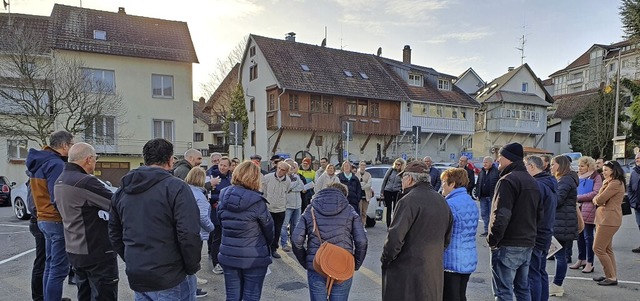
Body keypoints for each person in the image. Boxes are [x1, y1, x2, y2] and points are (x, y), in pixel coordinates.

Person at [109, 138, 201, 300]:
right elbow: (189, 233)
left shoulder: (122, 191)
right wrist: (191, 266)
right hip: (170, 275)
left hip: (139, 272)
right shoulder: (177, 187)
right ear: (170, 160)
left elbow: (115, 232)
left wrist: (132, 259)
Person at [381, 161, 452, 301]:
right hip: (432, 272)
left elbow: (394, 238)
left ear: (410, 179)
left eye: (402, 178)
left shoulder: (408, 201)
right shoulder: (441, 201)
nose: (401, 182)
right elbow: (446, 238)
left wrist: (386, 259)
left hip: (406, 273)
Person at [55, 142, 118, 300]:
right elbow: (116, 203)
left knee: (84, 293)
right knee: (104, 295)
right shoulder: (85, 181)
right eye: (96, 158)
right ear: (89, 159)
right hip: (96, 251)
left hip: (75, 249)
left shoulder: (60, 180)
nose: (96, 162)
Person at [292, 182, 367, 301]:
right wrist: (355, 264)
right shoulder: (349, 210)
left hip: (316, 264)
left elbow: (296, 239)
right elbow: (362, 241)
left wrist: (307, 261)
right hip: (342, 264)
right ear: (344, 196)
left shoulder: (310, 209)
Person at [488, 142, 542, 301]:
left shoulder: (507, 180)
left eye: (500, 157)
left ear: (509, 159)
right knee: (522, 288)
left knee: (503, 291)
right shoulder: (532, 181)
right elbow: (540, 214)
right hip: (527, 242)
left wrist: (493, 239)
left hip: (509, 243)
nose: (497, 160)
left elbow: (502, 214)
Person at [27, 130, 75, 301]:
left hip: (42, 218)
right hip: (55, 220)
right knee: (59, 269)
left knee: (49, 265)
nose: (73, 148)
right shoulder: (56, 164)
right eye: (72, 144)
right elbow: (58, 196)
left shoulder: (39, 161)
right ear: (64, 146)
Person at [217, 161, 275, 301]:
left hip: (228, 254)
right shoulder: (257, 201)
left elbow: (221, 222)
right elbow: (269, 230)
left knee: (232, 296)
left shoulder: (223, 195)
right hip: (254, 256)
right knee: (251, 296)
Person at [440, 168, 478, 301]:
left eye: (444, 182)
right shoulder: (469, 202)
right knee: (461, 295)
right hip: (467, 257)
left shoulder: (449, 204)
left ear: (452, 184)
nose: (442, 186)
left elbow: (442, 231)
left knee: (450, 296)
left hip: (451, 259)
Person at [524, 155, 558, 301]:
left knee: (533, 274)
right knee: (540, 271)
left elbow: (531, 212)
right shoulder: (549, 182)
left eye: (525, 166)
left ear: (532, 166)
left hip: (537, 233)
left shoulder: (537, 185)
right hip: (545, 232)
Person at [548, 155, 579, 297]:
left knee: (560, 256)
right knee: (559, 255)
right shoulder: (565, 179)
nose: (551, 166)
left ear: (560, 165)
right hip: (563, 222)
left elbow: (558, 200)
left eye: (553, 164)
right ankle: (556, 285)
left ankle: (557, 285)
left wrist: (546, 194)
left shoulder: (565, 180)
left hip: (563, 223)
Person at [591, 160, 626, 286]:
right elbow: (599, 198)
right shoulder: (610, 182)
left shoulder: (615, 183)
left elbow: (600, 199)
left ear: (613, 170)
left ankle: (611, 277)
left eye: (606, 170)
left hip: (609, 219)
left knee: (598, 248)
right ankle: (610, 275)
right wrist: (597, 199)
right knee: (607, 248)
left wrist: (596, 199)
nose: (603, 172)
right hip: (604, 218)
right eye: (603, 169)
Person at [185, 167, 216, 292]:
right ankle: (193, 288)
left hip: (184, 231)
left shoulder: (185, 191)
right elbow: (202, 217)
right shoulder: (200, 195)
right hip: (196, 233)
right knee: (193, 261)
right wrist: (211, 227)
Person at [570, 156, 602, 273]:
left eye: (582, 166)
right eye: (579, 166)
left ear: (589, 166)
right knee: (580, 236)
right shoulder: (578, 177)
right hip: (579, 209)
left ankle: (590, 262)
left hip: (589, 209)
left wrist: (578, 197)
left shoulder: (596, 177)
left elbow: (595, 193)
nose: (580, 168)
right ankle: (581, 259)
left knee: (588, 237)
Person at [262, 161, 291, 259]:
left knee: (277, 231)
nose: (279, 171)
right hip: (269, 208)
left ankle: (274, 249)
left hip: (280, 209)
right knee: (267, 230)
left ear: (286, 172)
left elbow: (286, 192)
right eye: (279, 168)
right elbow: (264, 192)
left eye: (282, 170)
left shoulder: (288, 181)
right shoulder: (267, 178)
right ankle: (265, 249)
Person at [209, 156, 233, 274]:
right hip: (216, 212)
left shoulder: (231, 177)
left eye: (225, 165)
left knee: (226, 238)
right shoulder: (212, 176)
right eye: (221, 165)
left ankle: (225, 260)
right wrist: (219, 199)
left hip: (229, 212)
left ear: (229, 167)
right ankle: (216, 263)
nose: (222, 167)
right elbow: (208, 194)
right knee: (216, 239)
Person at [474, 156, 500, 237]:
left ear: (491, 163)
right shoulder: (482, 172)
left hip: (491, 197)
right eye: (484, 162)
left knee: (491, 215)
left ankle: (491, 231)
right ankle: (486, 230)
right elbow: (478, 183)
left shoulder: (496, 172)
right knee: (484, 214)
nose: (484, 164)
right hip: (483, 197)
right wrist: (477, 194)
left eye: (486, 162)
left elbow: (498, 184)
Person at [281, 161, 304, 251]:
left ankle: (294, 242)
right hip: (287, 205)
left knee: (295, 225)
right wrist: (293, 186)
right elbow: (286, 188)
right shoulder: (284, 178)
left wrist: (292, 189)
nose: (291, 169)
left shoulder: (297, 177)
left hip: (297, 205)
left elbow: (301, 187)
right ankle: (284, 243)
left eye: (293, 168)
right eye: (290, 168)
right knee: (284, 225)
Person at [380, 158, 405, 228]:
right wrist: (382, 191)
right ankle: (388, 225)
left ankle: (395, 224)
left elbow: (403, 183)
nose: (397, 166)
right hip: (388, 190)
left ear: (402, 165)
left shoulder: (403, 172)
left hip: (397, 191)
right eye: (396, 164)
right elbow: (385, 180)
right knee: (388, 208)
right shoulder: (391, 170)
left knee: (395, 208)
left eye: (399, 164)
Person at [628, 153, 640, 253]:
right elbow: (630, 187)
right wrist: (632, 200)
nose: (637, 159)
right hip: (637, 204)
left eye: (639, 158)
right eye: (636, 158)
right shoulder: (634, 172)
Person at [355, 161, 373, 228]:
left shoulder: (368, 175)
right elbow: (356, 184)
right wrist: (362, 184)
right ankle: (358, 226)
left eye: (364, 165)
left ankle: (363, 225)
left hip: (366, 196)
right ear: (359, 166)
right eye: (361, 165)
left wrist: (362, 186)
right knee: (358, 212)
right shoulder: (356, 175)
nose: (362, 166)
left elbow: (369, 184)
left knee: (364, 212)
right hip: (358, 196)